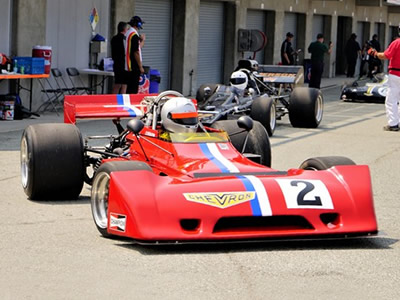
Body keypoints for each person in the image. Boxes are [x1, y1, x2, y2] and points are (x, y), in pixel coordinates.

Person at [368, 26, 400, 131]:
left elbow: (386, 55)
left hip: (395, 74)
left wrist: (375, 53)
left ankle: (393, 124)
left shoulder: (396, 43)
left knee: (391, 100)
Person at [124, 16, 145, 94]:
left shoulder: (128, 33)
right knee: (133, 89)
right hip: (133, 66)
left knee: (129, 88)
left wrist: (142, 41)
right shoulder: (134, 36)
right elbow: (136, 52)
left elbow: (137, 48)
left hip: (128, 65)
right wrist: (140, 66)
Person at [111, 21, 128, 94]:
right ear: (124, 29)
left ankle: (113, 99)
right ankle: (122, 100)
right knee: (124, 85)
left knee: (117, 84)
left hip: (116, 63)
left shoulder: (114, 38)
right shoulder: (125, 39)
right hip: (123, 64)